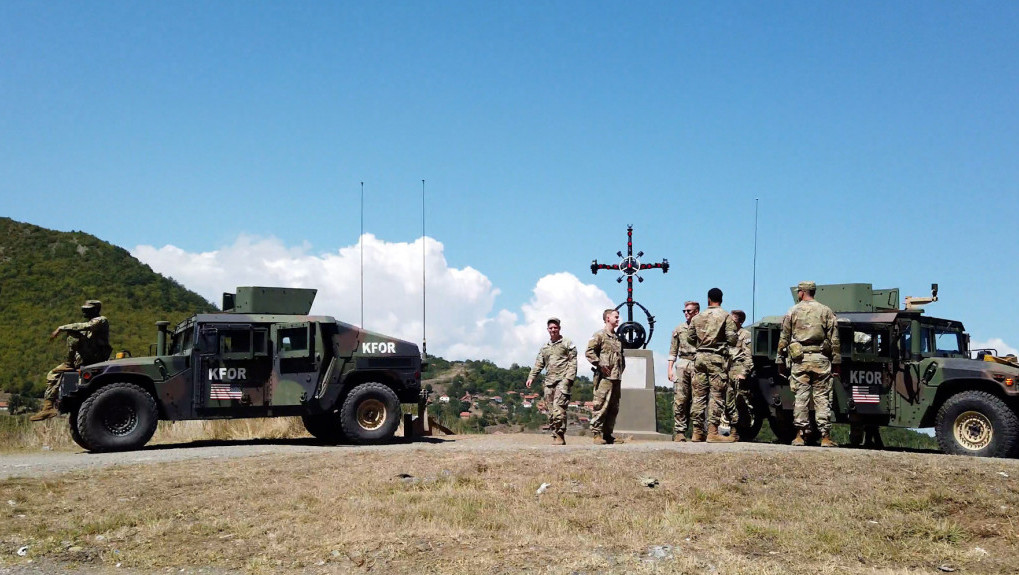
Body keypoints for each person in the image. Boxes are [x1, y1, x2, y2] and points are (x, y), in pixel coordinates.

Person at [777, 281, 841, 447]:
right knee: (822, 398)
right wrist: (836, 361)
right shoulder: (826, 310)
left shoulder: (793, 311)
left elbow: (784, 337)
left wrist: (780, 360)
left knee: (801, 397)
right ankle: (825, 437)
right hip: (821, 359)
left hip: (800, 360)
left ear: (802, 292)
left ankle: (800, 435)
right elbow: (834, 339)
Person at [31, 299, 111, 421]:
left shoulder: (101, 321)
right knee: (53, 374)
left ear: (95, 310)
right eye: (83, 310)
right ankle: (47, 408)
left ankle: (69, 363)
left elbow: (86, 326)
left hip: (96, 356)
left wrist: (61, 328)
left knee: (72, 333)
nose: (84, 312)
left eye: (87, 310)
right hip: (84, 358)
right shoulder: (90, 323)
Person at [685, 288, 737, 443]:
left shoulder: (698, 317)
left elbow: (689, 338)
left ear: (708, 299)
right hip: (716, 359)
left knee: (698, 395)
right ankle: (713, 432)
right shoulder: (725, 316)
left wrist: (702, 344)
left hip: (699, 358)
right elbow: (732, 339)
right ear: (721, 299)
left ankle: (697, 432)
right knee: (716, 395)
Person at [525, 317, 578, 445]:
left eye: (555, 327)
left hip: (563, 381)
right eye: (551, 328)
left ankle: (560, 435)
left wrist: (568, 379)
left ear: (559, 328)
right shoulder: (545, 347)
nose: (553, 330)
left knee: (558, 410)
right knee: (550, 411)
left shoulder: (567, 343)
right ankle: (554, 434)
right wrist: (531, 377)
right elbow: (539, 363)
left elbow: (573, 362)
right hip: (549, 382)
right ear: (547, 330)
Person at [586, 308, 625, 444]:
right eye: (616, 316)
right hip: (604, 378)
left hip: (616, 378)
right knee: (600, 405)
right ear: (608, 318)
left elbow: (621, 358)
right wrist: (600, 365)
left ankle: (608, 434)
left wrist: (620, 370)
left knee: (613, 408)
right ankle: (597, 434)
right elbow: (589, 352)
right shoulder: (599, 335)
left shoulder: (617, 338)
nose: (618, 319)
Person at [667, 301, 699, 441]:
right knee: (680, 398)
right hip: (683, 364)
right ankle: (680, 431)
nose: (686, 313)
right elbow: (673, 351)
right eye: (684, 311)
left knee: (699, 399)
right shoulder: (679, 329)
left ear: (696, 312)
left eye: (689, 311)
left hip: (698, 364)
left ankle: (698, 431)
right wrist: (669, 369)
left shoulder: (703, 328)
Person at [722, 309, 754, 441]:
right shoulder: (728, 335)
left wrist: (744, 372)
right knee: (728, 400)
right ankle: (732, 428)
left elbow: (748, 355)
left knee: (741, 400)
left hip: (738, 369)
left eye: (733, 320)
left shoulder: (745, 335)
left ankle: (743, 429)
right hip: (727, 369)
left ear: (740, 321)